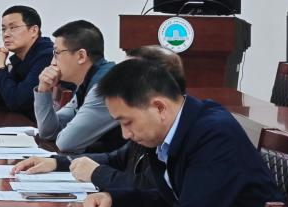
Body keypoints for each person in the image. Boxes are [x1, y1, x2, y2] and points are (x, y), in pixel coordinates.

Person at [83, 57, 283, 207]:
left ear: (159, 107)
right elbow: (171, 199)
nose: (125, 134)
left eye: (127, 122)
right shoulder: (167, 134)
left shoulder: (214, 135)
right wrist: (115, 200)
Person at [14, 46, 186, 194]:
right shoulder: (149, 127)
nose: (125, 134)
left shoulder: (189, 136)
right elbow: (116, 159)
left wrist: (97, 174)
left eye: (128, 75)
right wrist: (57, 162)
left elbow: (153, 189)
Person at [33, 20, 123, 153]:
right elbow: (49, 132)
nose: (52, 62)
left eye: (56, 53)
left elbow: (66, 143)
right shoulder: (87, 81)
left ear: (81, 56)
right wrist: (43, 90)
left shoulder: (105, 86)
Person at [0, 5, 53, 119]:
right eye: (3, 29)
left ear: (34, 30)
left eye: (13, 28)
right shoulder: (20, 58)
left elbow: (18, 102)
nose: (6, 34)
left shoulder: (47, 56)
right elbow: (1, 99)